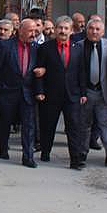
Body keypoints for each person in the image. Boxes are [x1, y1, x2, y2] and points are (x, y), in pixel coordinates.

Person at [33, 16, 87, 170]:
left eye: (66, 28)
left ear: (71, 31)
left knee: (74, 127)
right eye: (60, 28)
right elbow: (39, 71)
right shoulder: (45, 48)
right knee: (48, 125)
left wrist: (83, 93)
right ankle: (45, 151)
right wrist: (39, 91)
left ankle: (75, 159)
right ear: (55, 30)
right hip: (50, 94)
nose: (63, 31)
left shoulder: (78, 48)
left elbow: (82, 72)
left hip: (72, 94)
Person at [0, 18, 38, 167]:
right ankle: (3, 146)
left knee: (29, 125)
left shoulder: (36, 48)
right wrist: (0, 88)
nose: (33, 34)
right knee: (5, 121)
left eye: (35, 31)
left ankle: (28, 156)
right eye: (30, 31)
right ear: (20, 31)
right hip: (8, 91)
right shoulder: (6, 46)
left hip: (28, 93)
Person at [80, 18, 107, 166]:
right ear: (86, 30)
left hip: (103, 91)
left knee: (106, 123)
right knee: (84, 125)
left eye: (98, 29)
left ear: (103, 32)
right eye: (91, 28)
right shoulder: (78, 47)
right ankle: (81, 153)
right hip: (85, 92)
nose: (94, 32)